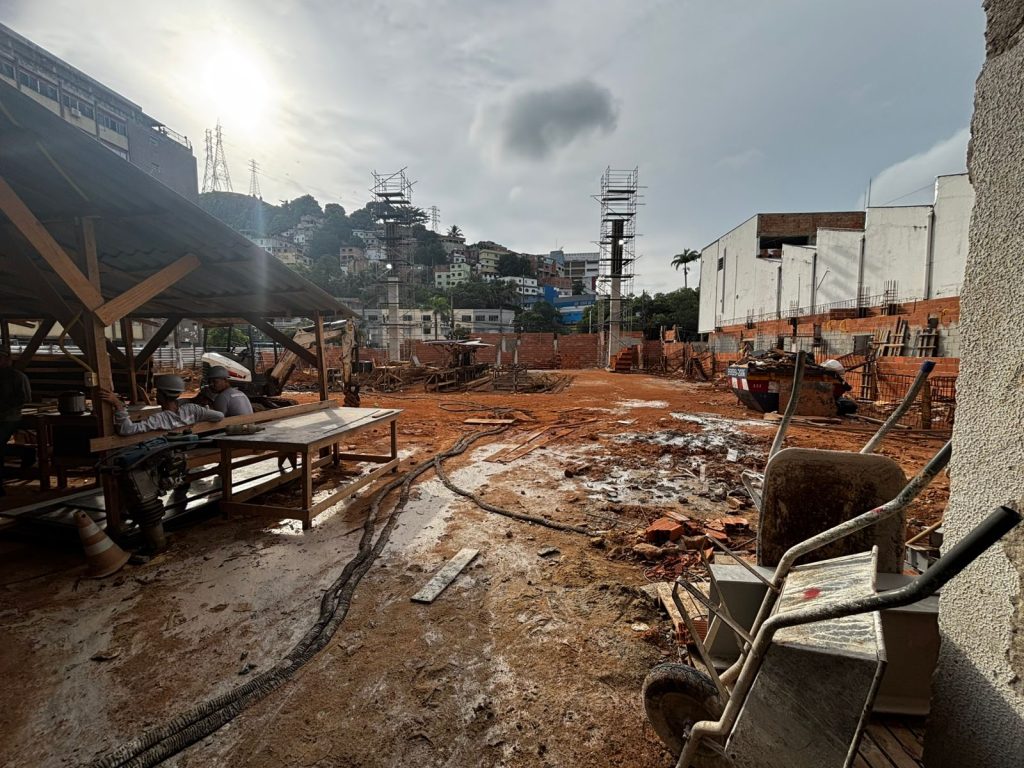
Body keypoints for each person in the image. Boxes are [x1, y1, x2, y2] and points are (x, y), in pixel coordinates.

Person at [100, 374, 224, 436]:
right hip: (188, 448)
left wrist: (118, 405)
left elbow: (126, 429)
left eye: (157, 392)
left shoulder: (159, 419)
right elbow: (219, 416)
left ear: (161, 395)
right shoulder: (193, 410)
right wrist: (199, 417)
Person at [0, 346, 32, 496]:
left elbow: (23, 398)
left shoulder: (17, 376)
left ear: (8, 360)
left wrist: (4, 407)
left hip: (9, 417)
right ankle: (25, 452)